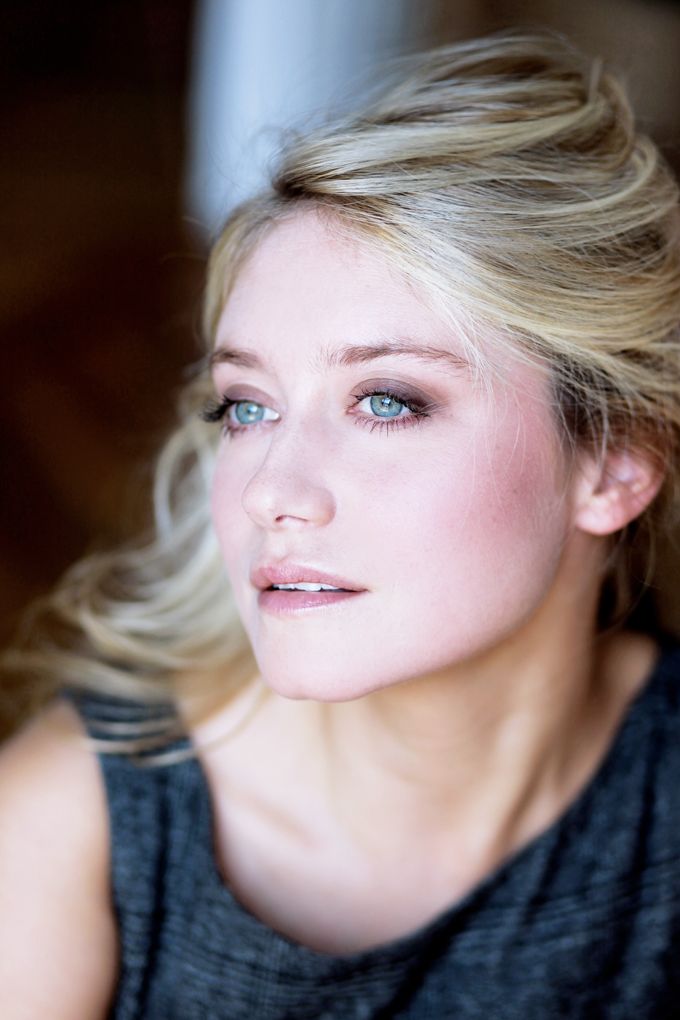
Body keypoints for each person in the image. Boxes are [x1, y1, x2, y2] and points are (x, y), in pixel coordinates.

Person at [1, 29, 680, 1019]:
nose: (271, 490)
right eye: (247, 406)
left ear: (613, 464)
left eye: (387, 402)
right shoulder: (64, 832)